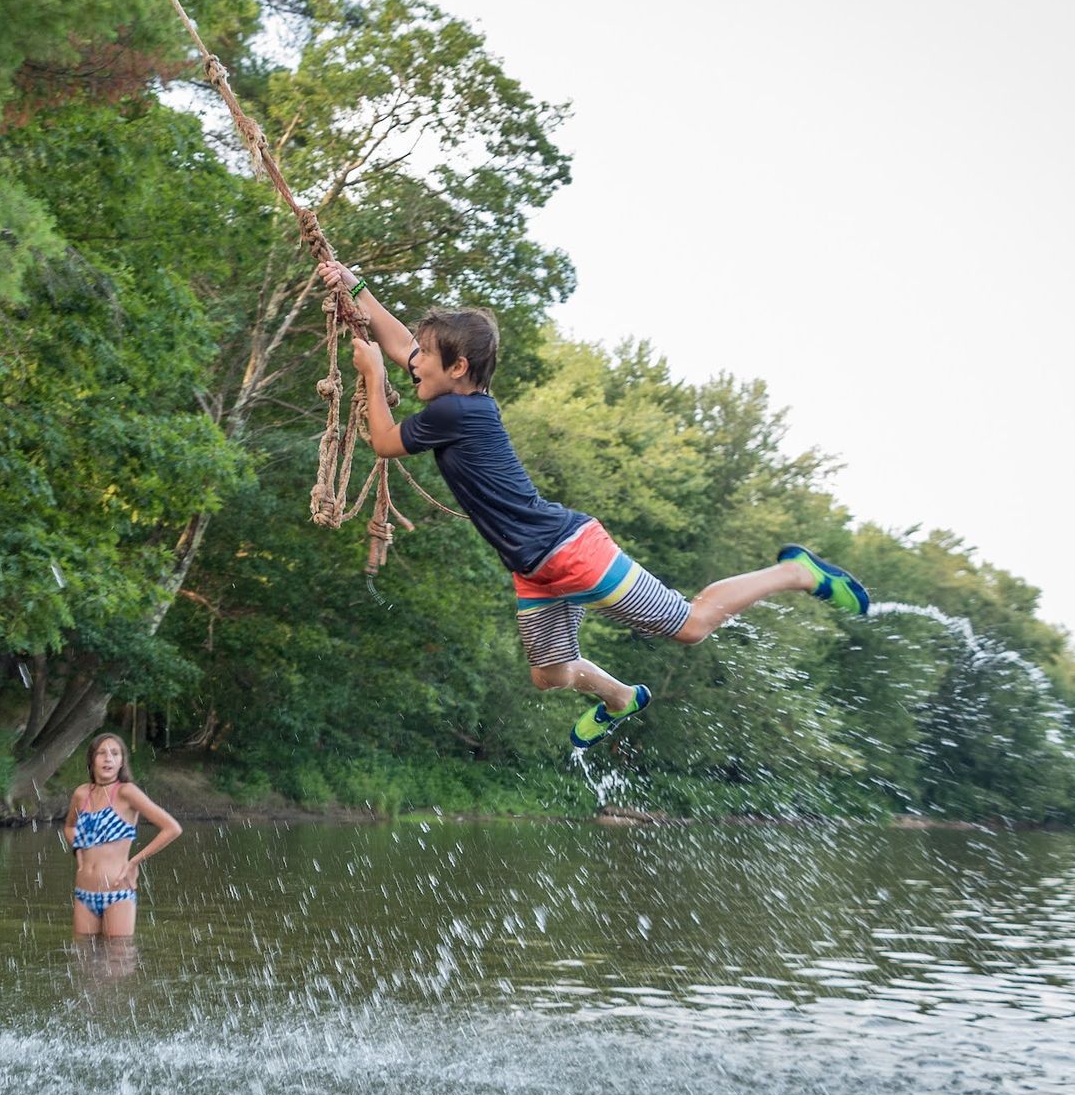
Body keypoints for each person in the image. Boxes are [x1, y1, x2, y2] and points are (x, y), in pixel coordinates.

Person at [322, 261, 869, 750]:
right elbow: (400, 346)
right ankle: (619, 697)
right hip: (535, 567)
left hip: (571, 550)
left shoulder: (454, 414)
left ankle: (794, 573)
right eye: (415, 357)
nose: (412, 365)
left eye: (427, 359)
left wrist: (371, 376)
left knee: (692, 624)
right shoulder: (455, 395)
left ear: (459, 367)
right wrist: (359, 289)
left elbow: (384, 441)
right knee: (550, 675)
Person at [63, 733, 182, 938]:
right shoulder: (81, 794)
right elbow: (69, 827)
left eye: (115, 753)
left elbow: (172, 828)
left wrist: (134, 862)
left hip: (117, 893)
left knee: (117, 962)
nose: (108, 757)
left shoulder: (126, 792)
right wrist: (78, 851)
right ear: (92, 760)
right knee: (82, 962)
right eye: (101, 753)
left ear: (121, 762)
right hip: (83, 892)